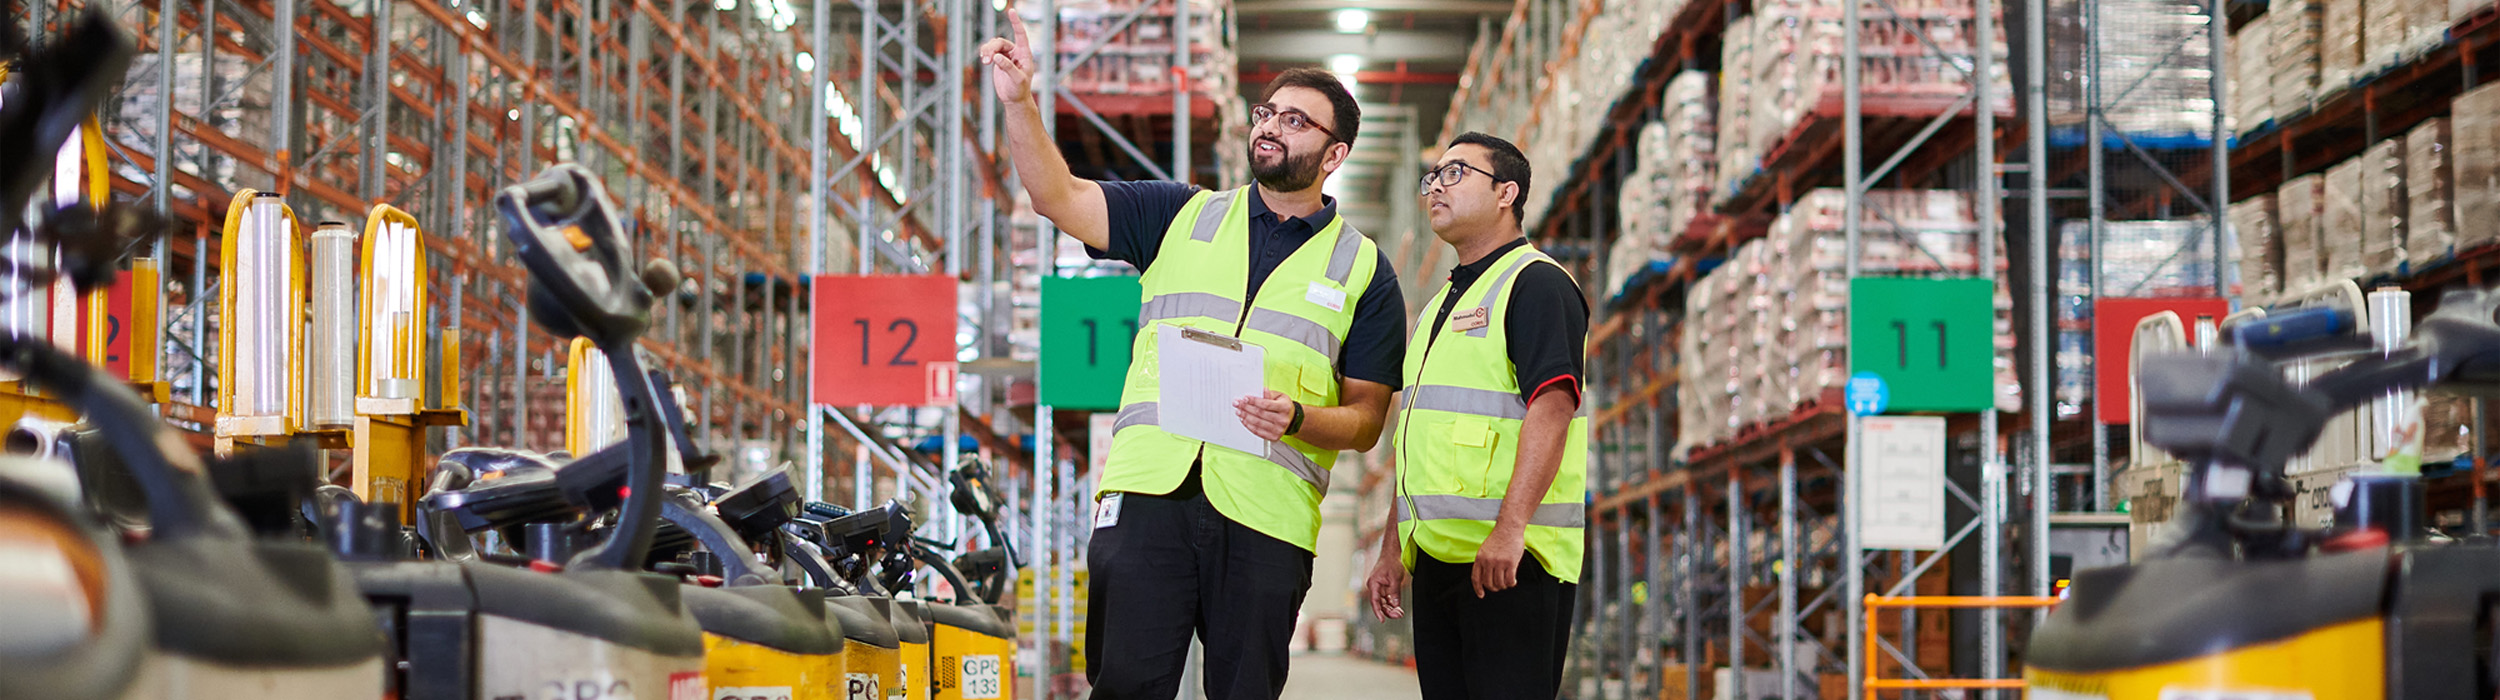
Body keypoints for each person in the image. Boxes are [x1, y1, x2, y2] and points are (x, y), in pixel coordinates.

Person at [979, 14, 1408, 700]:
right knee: (1126, 684)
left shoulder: (1365, 270)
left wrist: (1296, 418)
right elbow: (1055, 197)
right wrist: (1019, 101)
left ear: (1335, 156)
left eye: (1297, 121)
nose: (1270, 126)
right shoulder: (1179, 214)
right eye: (1267, 112)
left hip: (1265, 514)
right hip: (1149, 493)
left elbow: (1365, 421)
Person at [1363, 132, 1589, 700]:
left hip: (1511, 561)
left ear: (1506, 193)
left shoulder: (1536, 284)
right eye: (1433, 176)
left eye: (1456, 173)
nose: (1437, 185)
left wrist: (1510, 530)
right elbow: (1418, 440)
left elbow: (1553, 408)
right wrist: (1394, 549)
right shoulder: (1444, 303)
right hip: (1442, 560)